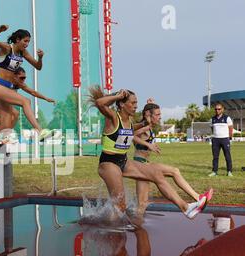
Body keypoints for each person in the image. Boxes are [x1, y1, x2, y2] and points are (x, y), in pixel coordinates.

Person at [88, 85, 207, 220]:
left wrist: (148, 119)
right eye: (132, 103)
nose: (135, 106)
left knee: (156, 175)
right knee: (120, 206)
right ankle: (105, 228)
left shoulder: (129, 122)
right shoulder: (113, 117)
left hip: (123, 161)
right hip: (109, 164)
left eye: (136, 103)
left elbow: (137, 127)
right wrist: (117, 96)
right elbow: (99, 103)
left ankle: (186, 208)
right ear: (122, 104)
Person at [133, 100, 213, 215]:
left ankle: (198, 197)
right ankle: (134, 226)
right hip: (140, 165)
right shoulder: (144, 127)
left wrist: (150, 106)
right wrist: (148, 144)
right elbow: (130, 135)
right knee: (142, 203)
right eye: (157, 114)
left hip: (145, 164)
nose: (160, 117)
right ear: (148, 115)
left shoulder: (148, 126)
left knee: (143, 202)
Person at [0, 24, 53, 143]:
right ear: (17, 40)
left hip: (7, 88)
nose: (27, 44)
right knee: (26, 101)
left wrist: (40, 58)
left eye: (28, 42)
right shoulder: (6, 48)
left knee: (8, 119)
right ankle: (40, 130)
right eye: (25, 41)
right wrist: (0, 30)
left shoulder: (23, 53)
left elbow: (38, 67)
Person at [0, 67, 56, 144]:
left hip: (0, 107)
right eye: (21, 78)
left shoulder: (20, 84)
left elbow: (33, 92)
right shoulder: (5, 82)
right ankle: (39, 130)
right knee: (14, 113)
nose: (23, 80)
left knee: (15, 115)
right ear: (14, 77)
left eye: (24, 78)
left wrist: (46, 98)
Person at [209, 103, 233, 177]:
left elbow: (231, 129)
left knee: (227, 156)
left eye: (219, 109)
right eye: (216, 109)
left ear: (222, 109)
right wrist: (213, 137)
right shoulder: (212, 119)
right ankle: (214, 172)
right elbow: (212, 128)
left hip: (225, 139)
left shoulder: (227, 118)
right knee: (215, 157)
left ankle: (229, 171)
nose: (217, 110)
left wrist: (230, 139)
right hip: (215, 140)